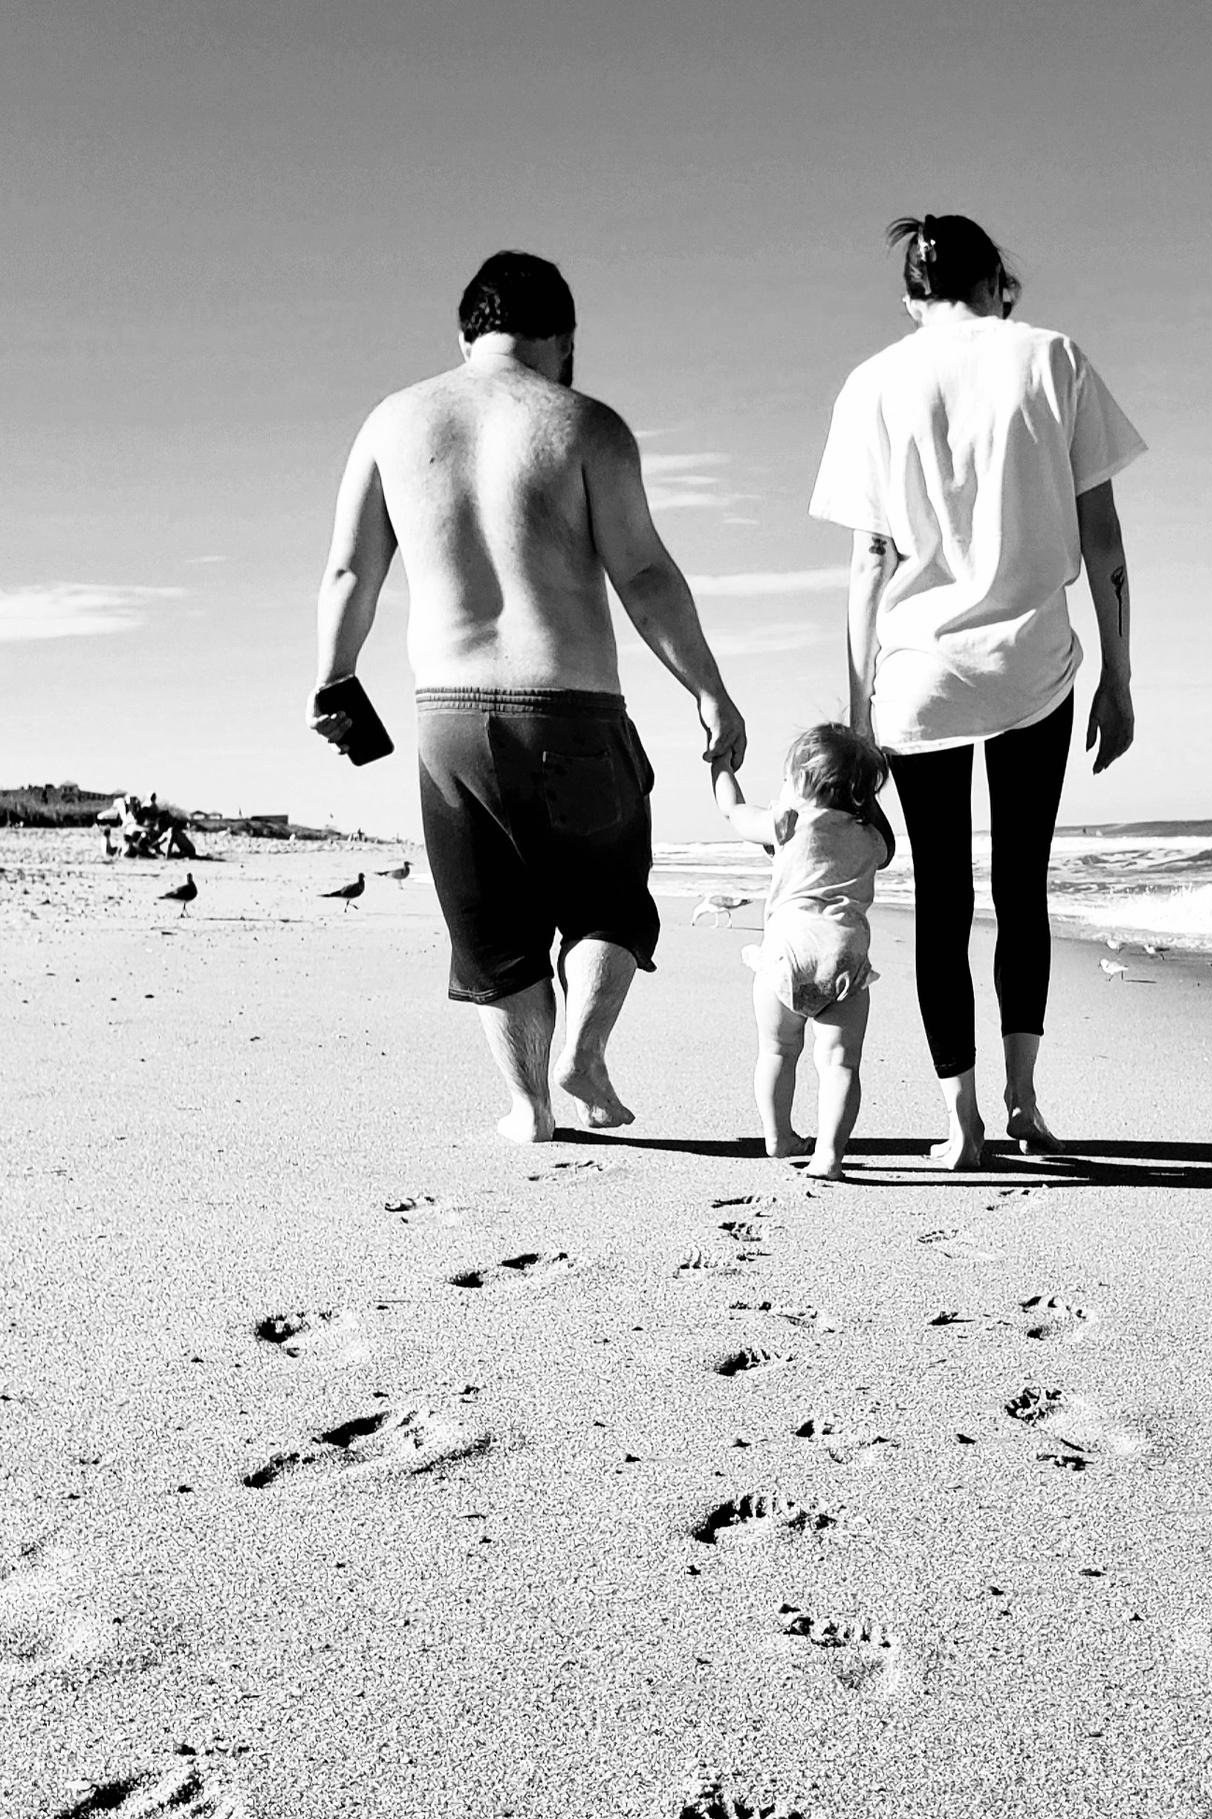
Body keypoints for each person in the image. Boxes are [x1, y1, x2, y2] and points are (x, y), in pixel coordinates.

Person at [308, 250, 746, 1142]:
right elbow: (647, 574)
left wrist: (335, 676)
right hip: (573, 707)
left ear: (465, 333)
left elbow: (353, 568)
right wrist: (709, 690)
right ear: (563, 340)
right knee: (609, 905)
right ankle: (582, 1052)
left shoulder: (393, 422)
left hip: (450, 721)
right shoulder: (587, 424)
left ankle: (530, 1108)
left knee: (493, 933)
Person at [810, 213, 1145, 1169]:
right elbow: (1104, 541)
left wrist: (858, 716)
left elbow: (869, 562)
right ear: (998, 278)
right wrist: (1120, 676)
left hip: (916, 677)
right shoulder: (1055, 359)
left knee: (943, 899)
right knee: (1023, 889)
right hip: (1033, 668)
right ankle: (1025, 1104)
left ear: (911, 294)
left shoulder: (873, 382)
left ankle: (958, 1119)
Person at [712, 723, 894, 1181]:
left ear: (803, 782)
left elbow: (733, 811)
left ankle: (778, 1137)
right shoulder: (869, 836)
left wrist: (720, 766)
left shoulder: (785, 820)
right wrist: (863, 796)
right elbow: (887, 843)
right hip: (844, 957)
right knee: (840, 1062)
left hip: (785, 956)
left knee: (776, 1051)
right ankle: (829, 1156)